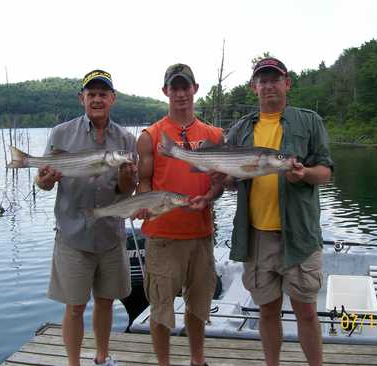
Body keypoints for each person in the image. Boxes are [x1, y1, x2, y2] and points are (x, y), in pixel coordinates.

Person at [225, 57, 334, 366]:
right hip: (256, 236)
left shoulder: (309, 121)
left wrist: (305, 175)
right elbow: (231, 182)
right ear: (253, 87)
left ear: (287, 83)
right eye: (263, 79)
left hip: (299, 234)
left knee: (306, 311)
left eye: (275, 79)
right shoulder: (240, 129)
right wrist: (227, 177)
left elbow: (325, 172)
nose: (269, 85)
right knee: (268, 310)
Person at [35, 70, 137, 366]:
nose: (96, 99)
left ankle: (102, 358)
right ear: (82, 98)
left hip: (110, 233)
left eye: (102, 94)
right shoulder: (61, 133)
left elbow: (126, 192)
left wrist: (127, 179)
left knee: (105, 303)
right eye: (91, 94)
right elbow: (42, 183)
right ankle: (73, 363)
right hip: (72, 234)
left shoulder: (125, 139)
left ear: (112, 99)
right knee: (75, 307)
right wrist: (46, 179)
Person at [134, 63, 223, 366]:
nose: (181, 93)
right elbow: (144, 180)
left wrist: (210, 196)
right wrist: (143, 202)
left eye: (186, 87)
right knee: (160, 309)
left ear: (195, 89)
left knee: (199, 306)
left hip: (201, 234)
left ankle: (198, 361)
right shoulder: (151, 136)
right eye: (175, 87)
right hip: (162, 237)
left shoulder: (213, 135)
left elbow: (219, 182)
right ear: (165, 92)